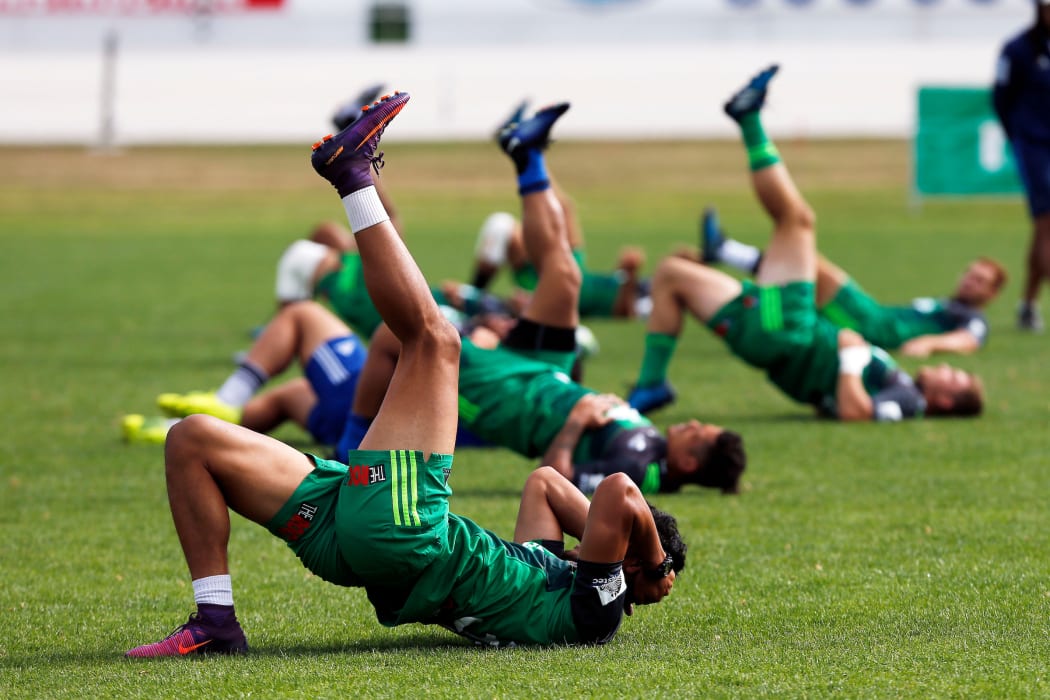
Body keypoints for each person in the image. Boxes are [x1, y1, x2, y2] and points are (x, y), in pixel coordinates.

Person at [125, 90, 683, 657]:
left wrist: (654, 558)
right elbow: (543, 484)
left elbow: (618, 492)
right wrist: (609, 541)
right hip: (368, 539)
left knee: (437, 340)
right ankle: (215, 620)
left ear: (627, 567)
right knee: (192, 439)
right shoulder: (551, 579)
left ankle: (353, 176)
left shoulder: (598, 611)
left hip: (404, 532)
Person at [338, 103, 746, 496]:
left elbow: (553, 479)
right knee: (565, 276)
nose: (692, 422)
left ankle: (349, 450)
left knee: (394, 338)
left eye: (699, 431)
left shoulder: (641, 471)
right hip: (547, 375)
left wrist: (574, 424)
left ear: (690, 462)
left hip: (514, 404)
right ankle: (525, 153)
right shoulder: (654, 448)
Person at [628, 66, 985, 422]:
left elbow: (855, 412)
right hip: (777, 334)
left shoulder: (908, 401)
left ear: (946, 401)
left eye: (953, 377)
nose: (945, 369)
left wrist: (849, 359)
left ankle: (749, 119)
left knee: (797, 220)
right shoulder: (904, 381)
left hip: (787, 330)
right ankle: (651, 384)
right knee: (671, 275)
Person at [701, 209, 1007, 358]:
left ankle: (725, 252)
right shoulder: (947, 303)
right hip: (874, 313)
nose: (969, 282)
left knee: (808, 265)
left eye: (979, 281)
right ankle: (724, 258)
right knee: (805, 271)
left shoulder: (971, 317)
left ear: (991, 294)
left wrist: (928, 344)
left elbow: (969, 340)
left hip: (874, 325)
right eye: (970, 274)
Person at [122, 299, 366, 447]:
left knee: (303, 315)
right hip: (367, 437)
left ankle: (226, 400)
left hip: (365, 423)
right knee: (291, 395)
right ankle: (180, 429)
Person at [993, 0, 1050, 331]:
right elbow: (1002, 96)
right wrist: (1019, 136)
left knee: (1044, 231)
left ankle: (1028, 304)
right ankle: (1028, 306)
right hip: (1034, 146)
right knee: (1045, 224)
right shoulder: (1018, 49)